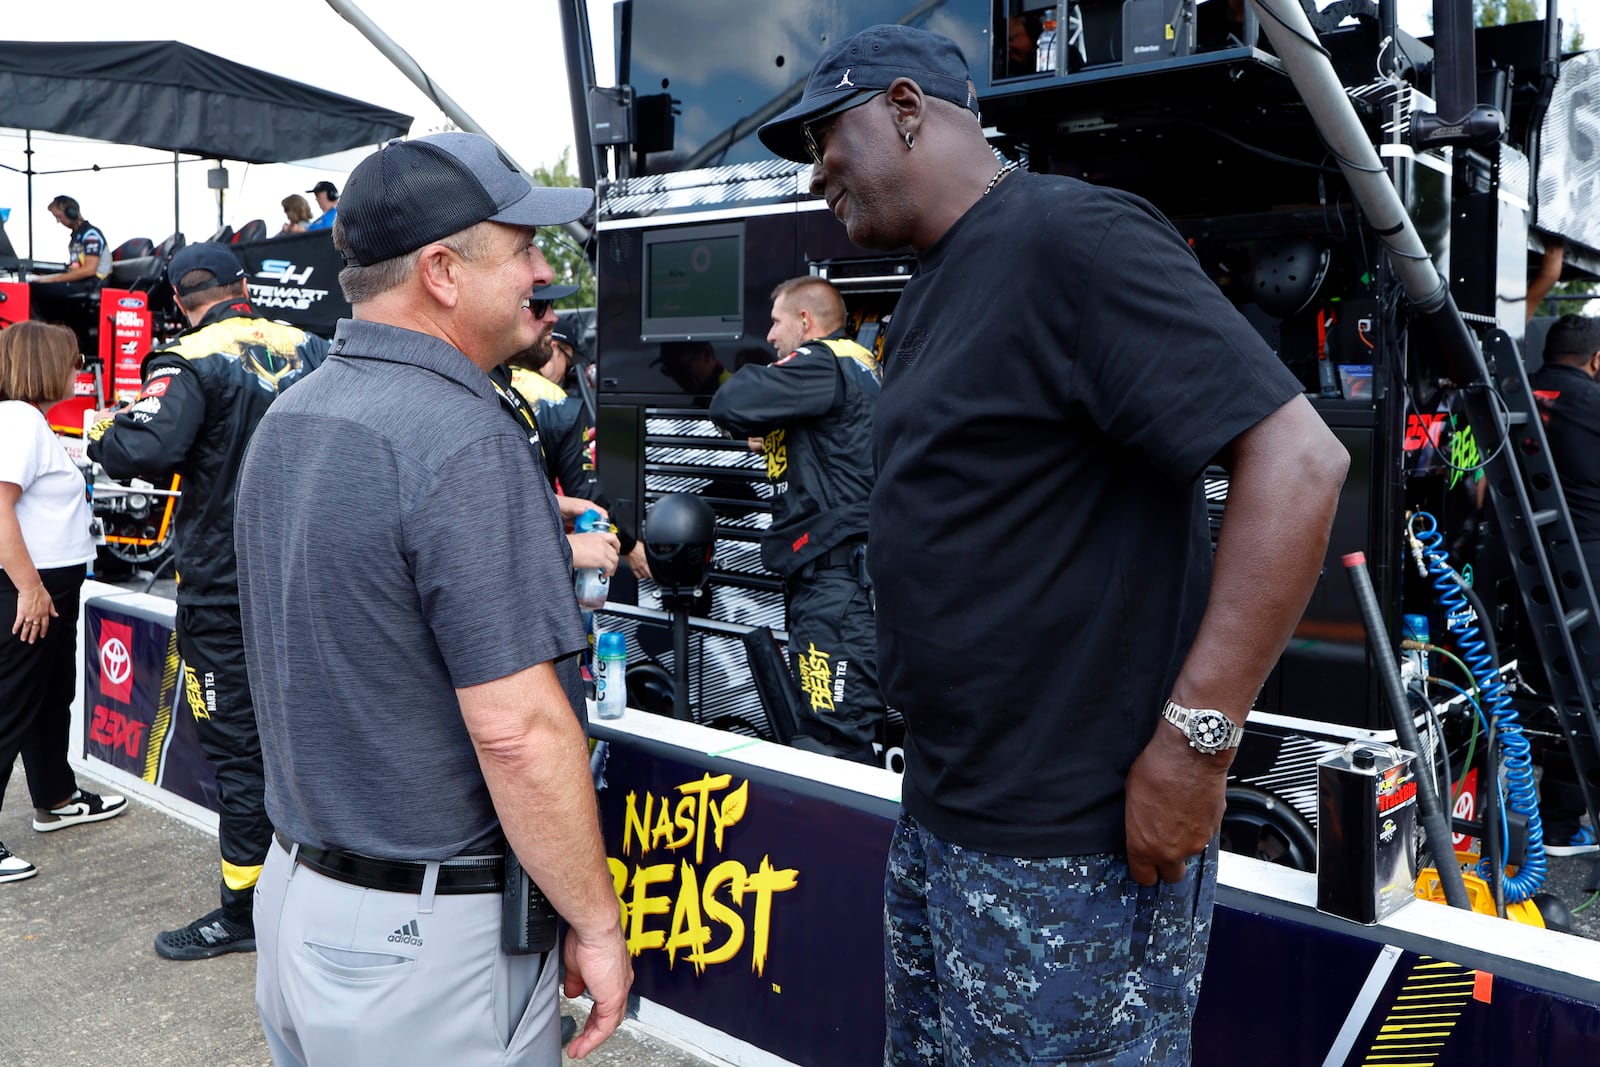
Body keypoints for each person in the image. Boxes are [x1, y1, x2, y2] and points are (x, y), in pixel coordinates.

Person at [759, 24, 1348, 1063]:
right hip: (953, 813)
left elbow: (1298, 462)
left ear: (905, 109)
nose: (816, 175)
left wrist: (1194, 743)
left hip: (1070, 842)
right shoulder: (936, 283)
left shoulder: (1070, 237)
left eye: (822, 138)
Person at [234, 131, 631, 1065]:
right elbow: (517, 732)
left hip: (299, 900)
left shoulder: (293, 413)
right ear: (443, 272)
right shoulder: (462, 437)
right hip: (421, 944)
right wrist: (598, 924)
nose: (542, 270)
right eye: (524, 248)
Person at [86, 242, 327, 960]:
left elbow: (144, 448)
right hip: (312, 581)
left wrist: (104, 427)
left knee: (239, 752)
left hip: (226, 589)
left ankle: (245, 912)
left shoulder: (188, 355)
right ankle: (316, 889)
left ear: (178, 297)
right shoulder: (313, 345)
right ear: (242, 285)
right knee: (308, 738)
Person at [707, 276, 885, 763]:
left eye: (776, 322)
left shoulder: (824, 360)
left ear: (806, 323)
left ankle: (838, 839)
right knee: (825, 730)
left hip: (836, 588)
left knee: (832, 741)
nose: (769, 336)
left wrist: (763, 411)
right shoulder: (854, 367)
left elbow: (730, 401)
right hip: (836, 583)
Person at [0, 321, 128, 884]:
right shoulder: (20, 421)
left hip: (47, 587)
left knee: (49, 699)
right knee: (10, 709)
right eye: (74, 362)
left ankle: (56, 796)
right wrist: (30, 587)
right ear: (45, 365)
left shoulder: (31, 423)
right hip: (29, 589)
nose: (80, 372)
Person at [29, 195, 110, 353]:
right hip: (83, 283)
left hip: (93, 284)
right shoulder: (77, 237)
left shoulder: (90, 235)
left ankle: (39, 343)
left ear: (71, 212)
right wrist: (47, 275)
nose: (58, 221)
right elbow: (74, 267)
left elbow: (89, 269)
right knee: (35, 285)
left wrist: (53, 279)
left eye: (59, 216)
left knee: (34, 289)